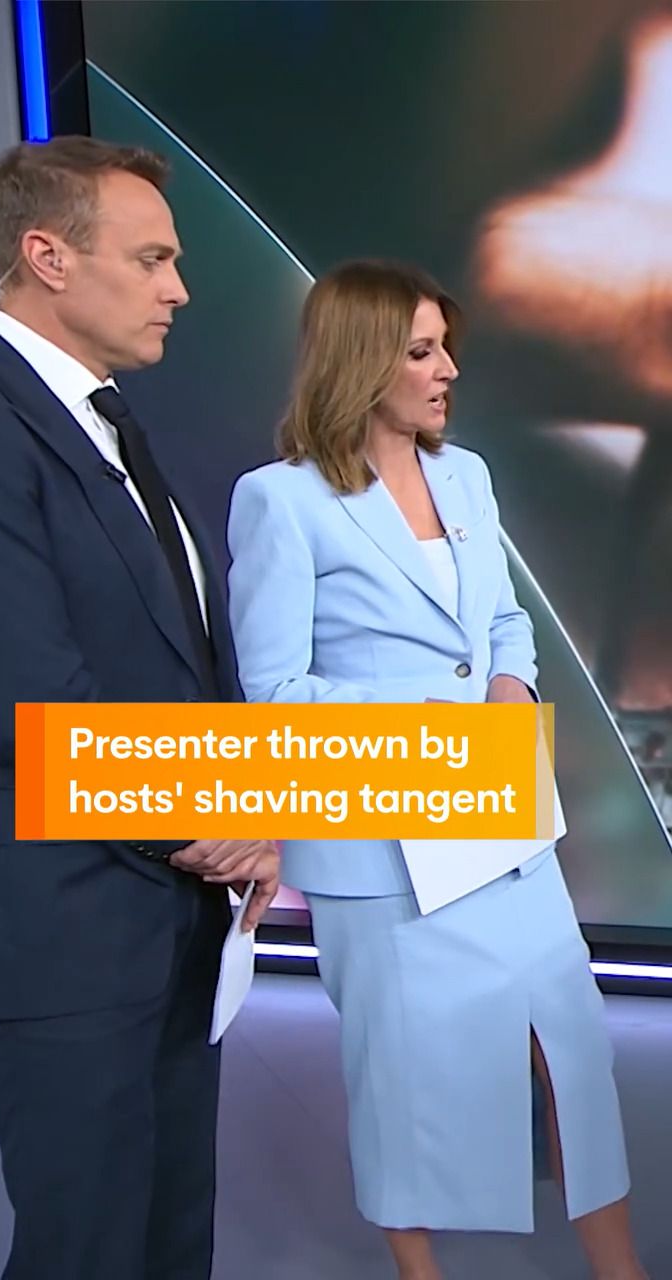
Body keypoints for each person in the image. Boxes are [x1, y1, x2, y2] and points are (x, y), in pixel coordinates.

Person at [226, 260, 646, 1280]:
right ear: (361, 362)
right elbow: (274, 691)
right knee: (404, 1076)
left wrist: (507, 684)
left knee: (570, 1048)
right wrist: (428, 719)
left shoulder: (466, 476)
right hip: (381, 841)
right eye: (421, 351)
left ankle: (621, 1268)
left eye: (445, 346)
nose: (448, 368)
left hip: (497, 813)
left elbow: (504, 619)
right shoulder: (281, 501)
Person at [0, 136, 279, 1280]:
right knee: (85, 1250)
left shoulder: (114, 423)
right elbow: (31, 698)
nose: (178, 289)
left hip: (176, 918)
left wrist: (250, 810)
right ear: (48, 256)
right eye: (151, 259)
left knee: (167, 1242)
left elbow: (181, 660)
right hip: (63, 927)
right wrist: (215, 818)